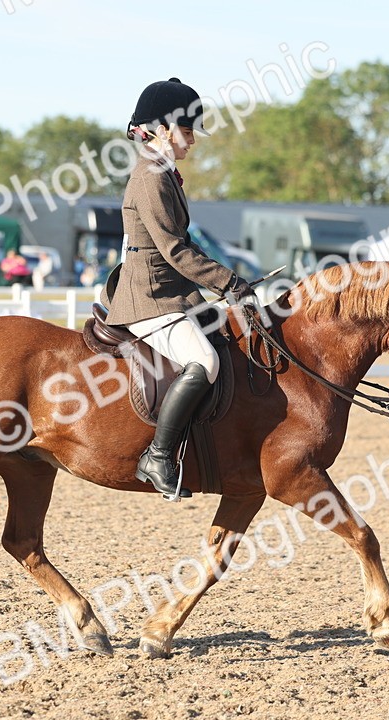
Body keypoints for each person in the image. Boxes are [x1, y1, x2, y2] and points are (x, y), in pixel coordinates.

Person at [105, 78, 253, 500]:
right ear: (164, 128)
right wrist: (230, 283)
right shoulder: (151, 177)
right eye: (187, 131)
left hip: (173, 294)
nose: (192, 141)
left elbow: (186, 243)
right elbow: (173, 250)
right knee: (205, 362)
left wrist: (227, 282)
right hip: (150, 299)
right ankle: (159, 456)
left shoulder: (164, 172)